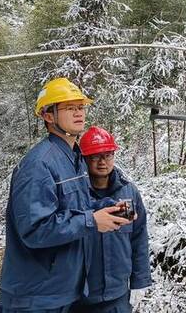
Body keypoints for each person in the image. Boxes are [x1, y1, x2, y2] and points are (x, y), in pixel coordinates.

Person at [0, 78, 132, 313]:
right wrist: (91, 221)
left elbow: (74, 206)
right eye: (69, 108)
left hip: (64, 293)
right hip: (35, 298)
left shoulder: (75, 158)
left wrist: (108, 208)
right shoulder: (39, 164)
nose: (79, 113)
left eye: (81, 107)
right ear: (48, 116)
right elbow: (34, 229)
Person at [70, 126, 152, 313]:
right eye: (95, 157)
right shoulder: (74, 194)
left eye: (107, 155)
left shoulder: (128, 192)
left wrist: (139, 281)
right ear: (84, 159)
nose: (102, 162)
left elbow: (139, 238)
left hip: (118, 294)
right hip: (80, 294)